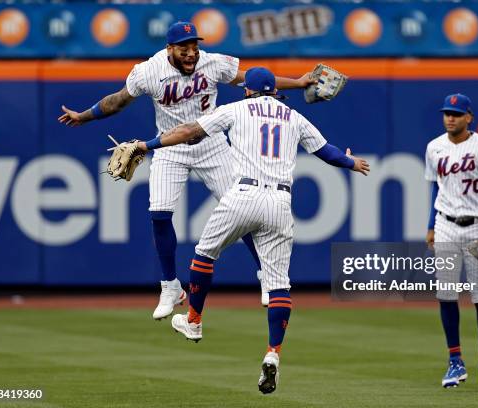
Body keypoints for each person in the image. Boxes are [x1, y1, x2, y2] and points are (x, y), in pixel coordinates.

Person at [134, 67, 369, 394]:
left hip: (243, 195)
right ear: (273, 90)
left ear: (248, 90)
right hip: (280, 202)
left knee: (204, 255)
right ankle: (274, 353)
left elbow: (189, 131)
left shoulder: (234, 108)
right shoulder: (292, 115)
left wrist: (147, 145)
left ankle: (193, 321)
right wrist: (351, 163)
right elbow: (325, 151)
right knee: (278, 284)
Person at [58, 22, 316, 316]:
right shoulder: (148, 71)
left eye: (194, 46)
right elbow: (117, 101)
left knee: (244, 209)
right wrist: (84, 116)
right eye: (184, 48)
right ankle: (170, 286)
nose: (191, 53)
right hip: (170, 146)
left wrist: (298, 82)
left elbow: (252, 81)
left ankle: (267, 278)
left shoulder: (212, 62)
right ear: (170, 48)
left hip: (213, 145)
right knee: (159, 214)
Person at [425, 93, 478, 391]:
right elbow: (437, 189)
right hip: (445, 224)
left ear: (468, 117)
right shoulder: (434, 147)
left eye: (456, 114)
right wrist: (430, 225)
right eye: (447, 113)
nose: (450, 117)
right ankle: (455, 361)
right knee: (446, 295)